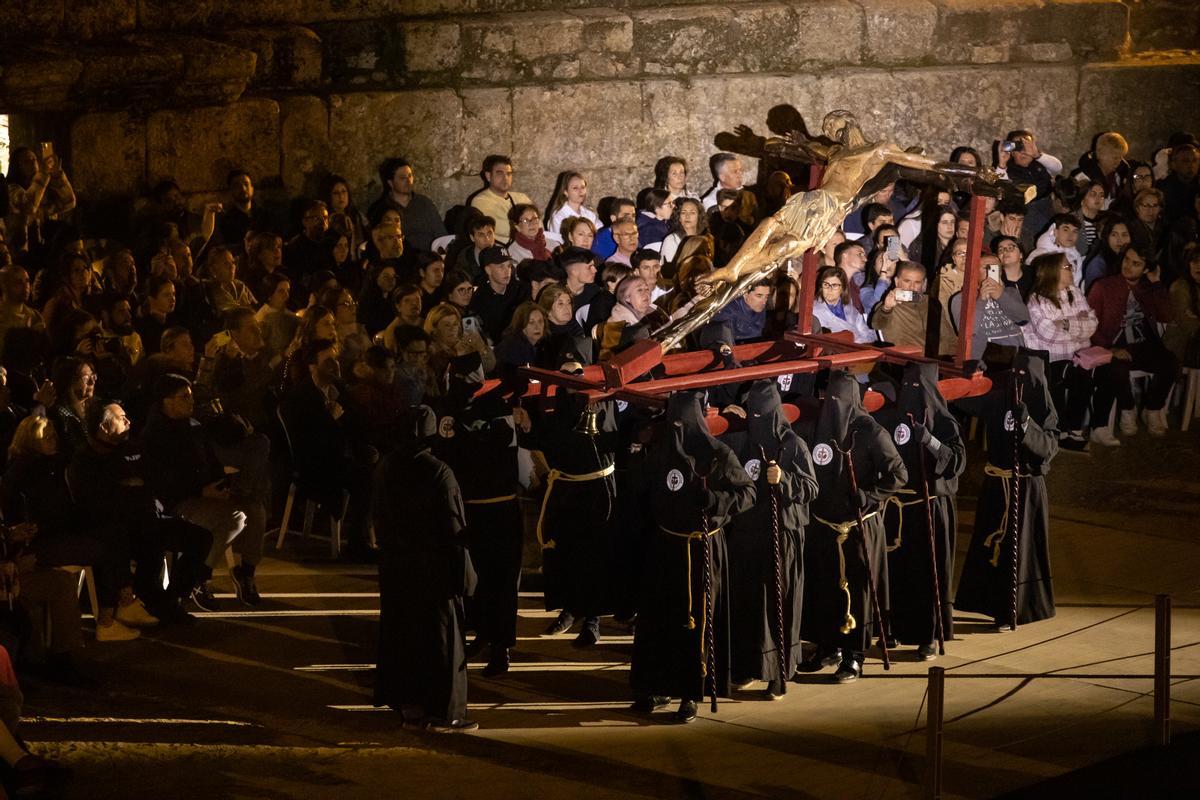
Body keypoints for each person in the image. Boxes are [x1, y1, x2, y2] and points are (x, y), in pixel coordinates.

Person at [629, 391, 755, 722]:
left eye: (683, 424)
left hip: (701, 549)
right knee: (661, 620)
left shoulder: (718, 454)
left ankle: (692, 691)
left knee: (696, 621)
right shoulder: (659, 452)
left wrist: (715, 501)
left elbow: (748, 493)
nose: (677, 430)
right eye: (673, 424)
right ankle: (657, 685)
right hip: (665, 548)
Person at [373, 405, 478, 732]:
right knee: (441, 641)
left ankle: (410, 707)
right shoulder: (438, 473)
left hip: (397, 567)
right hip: (433, 570)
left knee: (402, 635)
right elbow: (453, 527)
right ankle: (446, 713)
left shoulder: (386, 466)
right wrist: (466, 575)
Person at [796, 371, 905, 683]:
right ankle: (826, 646)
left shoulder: (871, 431)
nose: (835, 408)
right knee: (823, 589)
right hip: (822, 526)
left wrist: (870, 496)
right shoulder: (816, 430)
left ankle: (854, 655)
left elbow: (898, 473)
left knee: (857, 593)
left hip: (857, 528)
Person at [69, 402, 211, 623]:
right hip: (117, 527)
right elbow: (94, 500)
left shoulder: (133, 448)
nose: (128, 421)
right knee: (147, 546)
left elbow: (156, 479)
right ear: (105, 426)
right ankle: (147, 601)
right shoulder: (86, 459)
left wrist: (140, 487)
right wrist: (128, 489)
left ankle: (171, 600)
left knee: (200, 538)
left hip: (148, 518)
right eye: (121, 418)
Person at [434, 356, 527, 676]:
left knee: (501, 581)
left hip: (497, 506)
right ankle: (484, 634)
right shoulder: (453, 410)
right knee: (475, 580)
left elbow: (501, 450)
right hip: (473, 507)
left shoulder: (496, 408)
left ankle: (500, 646)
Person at [725, 381, 817, 696]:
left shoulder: (793, 445)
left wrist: (785, 480)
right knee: (747, 603)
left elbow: (810, 487)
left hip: (783, 536)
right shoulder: (742, 441)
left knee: (781, 604)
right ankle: (747, 664)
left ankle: (779, 671)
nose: (757, 422)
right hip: (748, 535)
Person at [955, 351, 1059, 629]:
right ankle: (987, 602)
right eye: (1016, 376)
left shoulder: (1043, 408)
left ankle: (1014, 608)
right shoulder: (999, 398)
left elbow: (1048, 448)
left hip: (1025, 487)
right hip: (997, 484)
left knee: (1019, 549)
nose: (1020, 382)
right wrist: (969, 377)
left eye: (1027, 378)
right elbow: (966, 402)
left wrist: (1027, 424)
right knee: (991, 545)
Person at [523, 345, 618, 645]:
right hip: (567, 487)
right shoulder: (554, 403)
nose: (572, 380)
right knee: (566, 551)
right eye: (565, 375)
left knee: (595, 553)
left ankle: (592, 619)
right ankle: (569, 608)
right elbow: (545, 438)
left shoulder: (601, 400)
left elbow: (612, 435)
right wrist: (526, 427)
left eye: (577, 373)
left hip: (596, 488)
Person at [873, 363, 965, 659]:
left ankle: (928, 634)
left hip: (929, 509)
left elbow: (956, 463)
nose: (914, 396)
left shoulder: (945, 423)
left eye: (920, 390)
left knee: (927, 574)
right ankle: (894, 628)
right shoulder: (892, 419)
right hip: (898, 509)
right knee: (896, 574)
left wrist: (930, 441)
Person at [1086, 240, 1176, 437]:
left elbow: (1167, 315)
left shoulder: (1148, 287)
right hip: (1114, 343)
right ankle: (1128, 409)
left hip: (1144, 344)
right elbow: (1088, 325)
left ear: (1145, 270)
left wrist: (1157, 283)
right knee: (1117, 368)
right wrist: (1110, 349)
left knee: (1170, 362)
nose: (1128, 266)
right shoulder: (1103, 286)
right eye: (1127, 260)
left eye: (1136, 264)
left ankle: (1152, 408)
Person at [1023, 253, 1101, 449]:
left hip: (1076, 357)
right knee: (1062, 375)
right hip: (1048, 359)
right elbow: (1048, 334)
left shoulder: (1074, 292)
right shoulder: (1037, 300)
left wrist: (1065, 323)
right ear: (1052, 272)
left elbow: (1093, 324)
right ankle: (1061, 430)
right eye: (1067, 267)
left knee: (1084, 376)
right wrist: (1078, 328)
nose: (1072, 270)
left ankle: (1074, 429)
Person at [948, 253, 1029, 362]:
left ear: (1000, 272)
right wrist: (981, 300)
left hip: (1017, 358)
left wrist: (1001, 296)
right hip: (986, 361)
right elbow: (966, 332)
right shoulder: (962, 298)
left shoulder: (1011, 292)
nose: (991, 271)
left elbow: (1024, 319)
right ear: (974, 272)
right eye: (986, 267)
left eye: (995, 268)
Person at [871, 262, 959, 358]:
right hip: (908, 363)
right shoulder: (889, 305)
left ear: (924, 284)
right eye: (907, 281)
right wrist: (887, 308)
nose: (912, 287)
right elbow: (877, 324)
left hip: (941, 361)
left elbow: (949, 336)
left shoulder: (931, 303)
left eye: (917, 282)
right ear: (897, 281)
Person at [368, 158, 446, 252]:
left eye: (410, 176)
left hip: (429, 258)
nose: (408, 181)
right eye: (402, 178)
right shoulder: (381, 209)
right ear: (391, 183)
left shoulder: (424, 203)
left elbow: (441, 235)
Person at [469, 155, 532, 246]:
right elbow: (503, 228)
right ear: (488, 176)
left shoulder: (522, 198)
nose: (505, 178)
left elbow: (538, 224)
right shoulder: (481, 201)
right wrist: (528, 225)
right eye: (499, 173)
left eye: (509, 174)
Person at [812, 266, 874, 343]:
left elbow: (867, 333)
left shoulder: (849, 308)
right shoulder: (814, 311)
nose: (829, 289)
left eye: (834, 285)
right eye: (826, 284)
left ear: (843, 288)